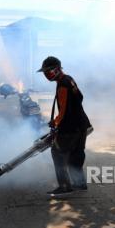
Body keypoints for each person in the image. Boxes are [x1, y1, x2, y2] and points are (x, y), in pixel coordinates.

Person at [37, 56, 92, 196]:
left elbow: (64, 110)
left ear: (56, 69)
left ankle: (65, 186)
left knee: (57, 152)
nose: (46, 75)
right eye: (44, 72)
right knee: (76, 154)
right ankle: (79, 184)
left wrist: (55, 123)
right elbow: (80, 98)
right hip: (81, 125)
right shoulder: (69, 79)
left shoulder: (63, 84)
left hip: (70, 127)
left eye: (47, 71)